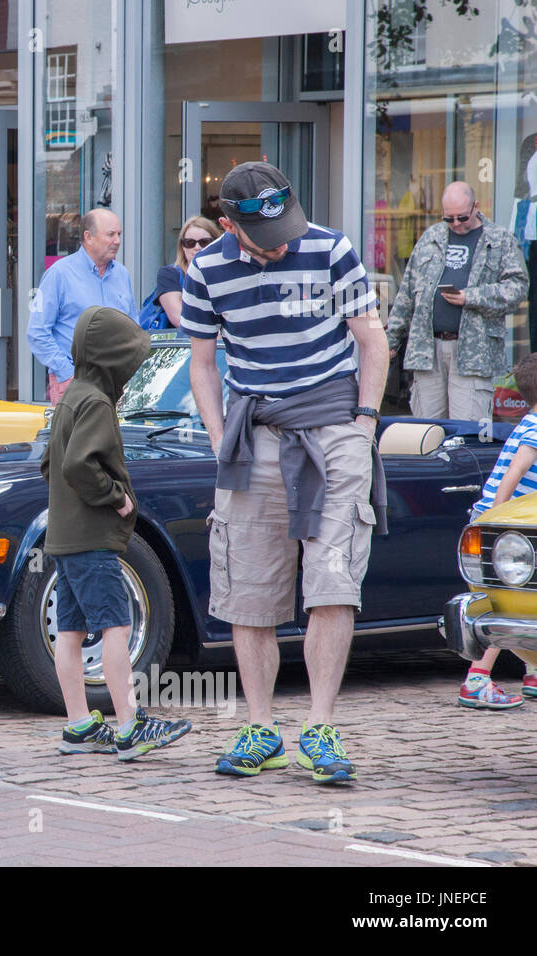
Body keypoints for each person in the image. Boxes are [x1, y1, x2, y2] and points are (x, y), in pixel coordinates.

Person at [183, 161, 388, 785]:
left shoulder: (331, 249)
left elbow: (371, 339)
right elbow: (201, 362)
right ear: (228, 224)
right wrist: (221, 439)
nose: (281, 241)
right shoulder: (207, 270)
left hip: (332, 427)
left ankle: (320, 727)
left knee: (332, 581)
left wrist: (364, 424)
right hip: (255, 435)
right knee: (250, 592)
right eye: (265, 232)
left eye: (286, 225)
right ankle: (262, 727)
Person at [41, 305, 193, 758]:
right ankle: (128, 725)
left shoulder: (70, 396)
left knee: (68, 633)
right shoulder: (97, 402)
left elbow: (50, 464)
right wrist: (116, 496)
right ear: (114, 360)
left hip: (64, 538)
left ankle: (78, 724)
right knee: (117, 626)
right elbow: (76, 465)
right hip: (92, 539)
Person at [386, 181, 530, 423]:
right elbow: (406, 293)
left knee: (466, 432)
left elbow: (518, 287)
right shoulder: (431, 237)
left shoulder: (499, 239)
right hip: (427, 350)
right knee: (425, 431)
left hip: (473, 353)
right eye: (449, 219)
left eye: (462, 218)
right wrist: (390, 341)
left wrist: (470, 297)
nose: (456, 224)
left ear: (476, 207)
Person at [453, 353, 537, 709]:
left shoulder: (526, 422)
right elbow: (513, 475)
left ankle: (532, 673)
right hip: (503, 532)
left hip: (505, 531)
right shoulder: (535, 428)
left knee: (524, 600)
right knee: (501, 604)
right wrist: (498, 519)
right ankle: (476, 680)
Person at [27, 208, 137, 405]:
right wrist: (67, 374)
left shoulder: (122, 275)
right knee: (76, 437)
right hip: (74, 383)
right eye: (110, 234)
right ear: (88, 237)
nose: (117, 241)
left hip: (116, 385)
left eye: (119, 234)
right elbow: (37, 332)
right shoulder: (59, 274)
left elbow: (133, 330)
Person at [140, 216, 221, 330]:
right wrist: (218, 336)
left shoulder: (227, 275)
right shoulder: (170, 274)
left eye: (204, 242)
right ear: (182, 247)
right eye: (190, 243)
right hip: (181, 345)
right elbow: (179, 318)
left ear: (216, 244)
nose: (197, 247)